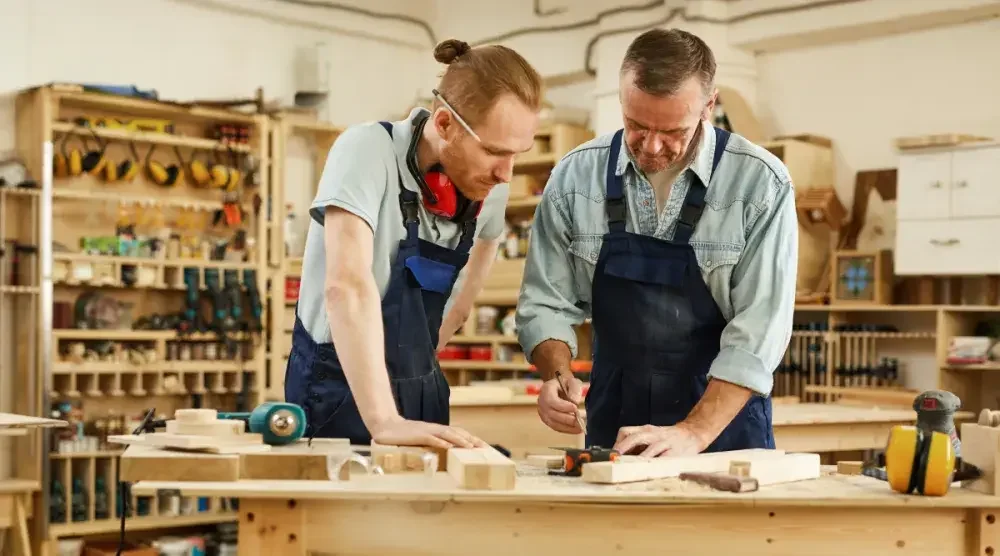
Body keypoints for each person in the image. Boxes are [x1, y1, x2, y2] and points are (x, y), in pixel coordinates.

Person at [515, 29, 798, 458]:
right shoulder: (574, 178)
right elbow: (545, 302)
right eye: (635, 124)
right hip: (615, 423)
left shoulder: (760, 184)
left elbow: (759, 332)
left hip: (722, 430)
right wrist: (557, 376)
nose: (650, 146)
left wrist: (693, 433)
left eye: (671, 131)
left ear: (709, 106)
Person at [285, 38, 544, 449]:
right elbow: (346, 287)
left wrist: (424, 356)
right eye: (495, 151)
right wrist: (385, 420)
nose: (506, 175)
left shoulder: (486, 186)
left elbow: (476, 267)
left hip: (423, 390)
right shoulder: (366, 151)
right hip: (340, 391)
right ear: (444, 125)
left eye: (518, 154)